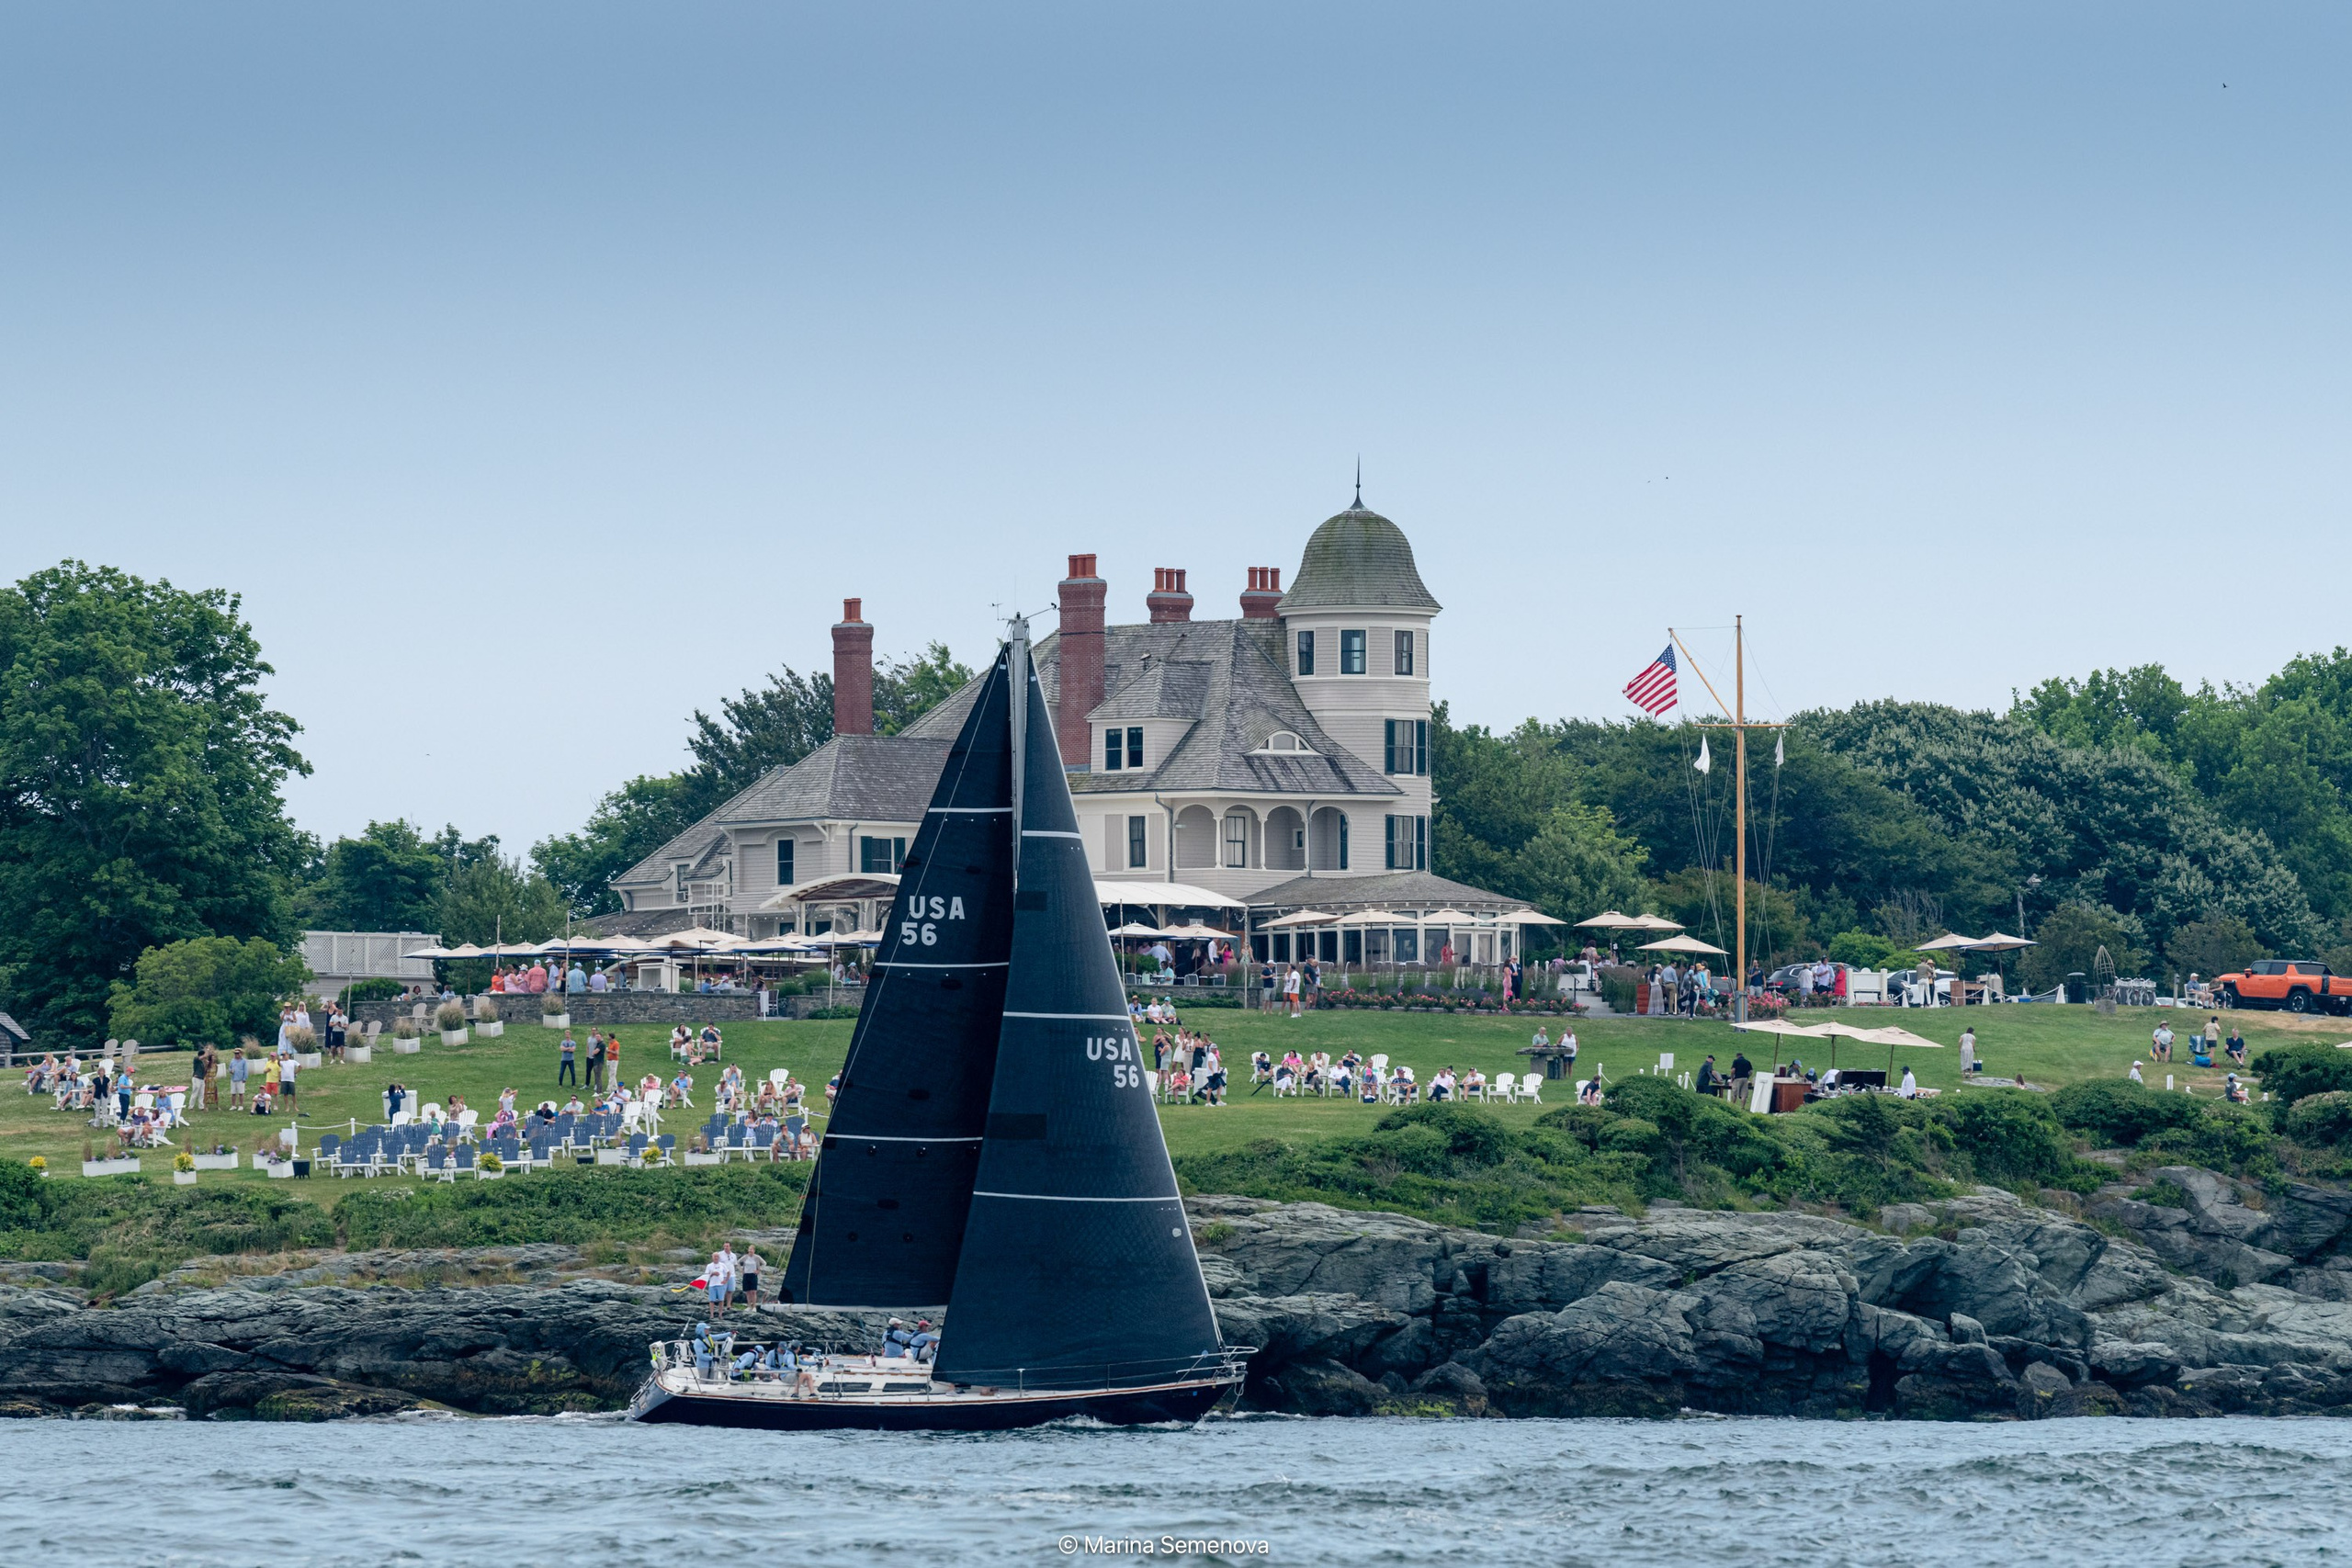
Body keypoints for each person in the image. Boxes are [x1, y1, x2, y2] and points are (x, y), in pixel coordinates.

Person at [739, 1244, 764, 1311]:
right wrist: (741, 1270)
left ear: (754, 1250)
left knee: (753, 1291)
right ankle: (749, 1306)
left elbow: (764, 1263)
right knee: (748, 1292)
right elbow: (738, 1262)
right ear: (748, 1250)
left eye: (752, 1249)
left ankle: (754, 1307)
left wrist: (759, 1270)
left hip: (753, 1275)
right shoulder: (745, 1257)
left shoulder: (757, 1257)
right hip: (746, 1275)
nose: (750, 1251)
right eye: (749, 1249)